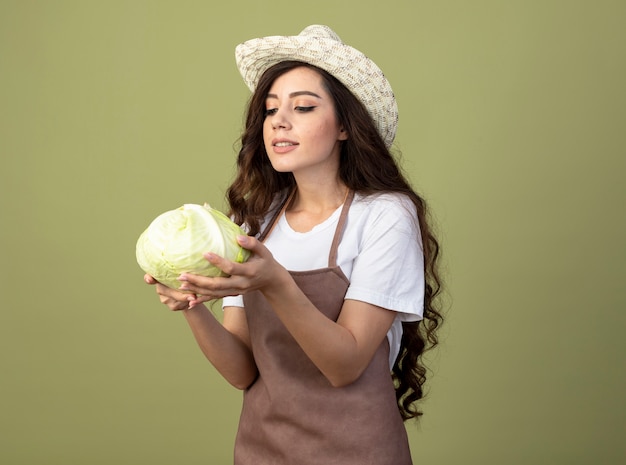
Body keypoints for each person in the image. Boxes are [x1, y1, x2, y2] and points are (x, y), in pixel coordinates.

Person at [144, 24, 443, 465]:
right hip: (262, 450)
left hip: (357, 452)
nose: (279, 121)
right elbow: (242, 371)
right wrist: (191, 303)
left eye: (303, 107)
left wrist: (274, 283)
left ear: (345, 126)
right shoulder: (256, 221)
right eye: (270, 110)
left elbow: (345, 365)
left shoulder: (383, 216)